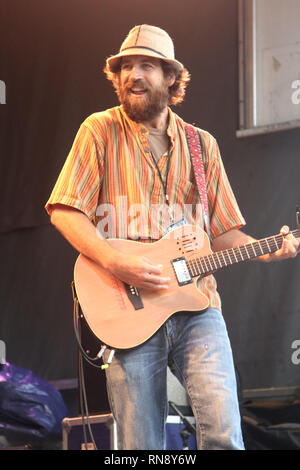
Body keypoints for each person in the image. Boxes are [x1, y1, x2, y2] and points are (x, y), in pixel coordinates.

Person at [45, 25, 299, 450]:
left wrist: (266, 250)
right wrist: (115, 262)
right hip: (128, 308)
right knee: (140, 445)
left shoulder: (202, 146)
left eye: (146, 65)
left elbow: (222, 234)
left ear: (170, 78)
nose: (132, 75)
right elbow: (64, 212)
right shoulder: (99, 131)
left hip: (198, 307)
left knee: (223, 432)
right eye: (125, 66)